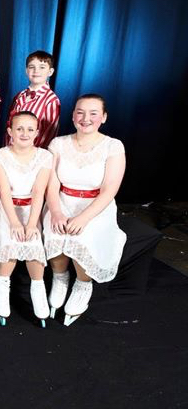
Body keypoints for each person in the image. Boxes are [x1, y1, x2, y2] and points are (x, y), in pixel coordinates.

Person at [42, 94, 126, 326]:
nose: (85, 118)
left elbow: (109, 189)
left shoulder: (113, 146)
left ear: (103, 117)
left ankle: (82, 284)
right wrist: (56, 211)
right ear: (73, 116)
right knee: (55, 230)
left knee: (83, 235)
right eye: (80, 112)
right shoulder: (58, 144)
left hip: (95, 205)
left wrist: (83, 218)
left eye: (93, 113)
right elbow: (52, 183)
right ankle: (60, 278)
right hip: (62, 200)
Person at [0, 111, 53, 327]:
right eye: (19, 129)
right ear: (10, 131)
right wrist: (15, 222)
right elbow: (4, 191)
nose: (24, 133)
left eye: (29, 129)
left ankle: (38, 288)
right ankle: (2, 285)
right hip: (6, 208)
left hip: (31, 208)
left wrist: (32, 223)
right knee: (10, 239)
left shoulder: (44, 156)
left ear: (37, 133)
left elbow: (39, 191)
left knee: (32, 241)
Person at [5, 51, 61, 149]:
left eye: (42, 67)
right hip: (11, 148)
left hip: (32, 152)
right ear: (26, 71)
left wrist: (35, 153)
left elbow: (49, 133)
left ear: (50, 72)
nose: (36, 71)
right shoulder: (19, 96)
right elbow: (10, 125)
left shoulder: (51, 100)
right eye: (31, 67)